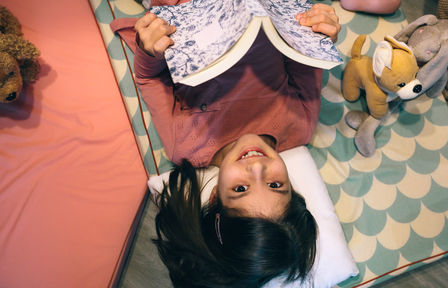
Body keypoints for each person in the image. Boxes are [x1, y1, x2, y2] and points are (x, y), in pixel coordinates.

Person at [112, 1, 341, 287]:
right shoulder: (299, 127)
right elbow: (304, 57)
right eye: (275, 184)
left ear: (213, 198)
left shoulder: (185, 145)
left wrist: (149, 50)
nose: (257, 167)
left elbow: (148, 77)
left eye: (240, 188)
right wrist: (320, 32)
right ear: (292, 187)